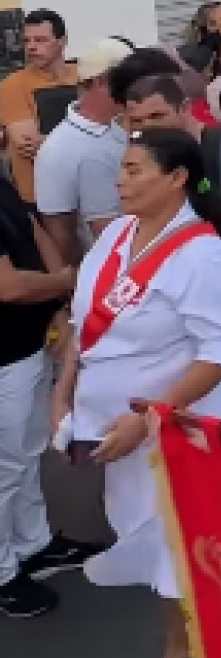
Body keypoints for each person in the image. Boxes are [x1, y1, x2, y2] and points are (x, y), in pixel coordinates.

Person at [55, 129, 221, 658]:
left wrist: (148, 419)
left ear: (177, 178)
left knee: (171, 543)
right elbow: (85, 323)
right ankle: (215, 635)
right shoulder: (115, 235)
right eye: (122, 168)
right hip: (117, 431)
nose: (121, 181)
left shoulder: (202, 256)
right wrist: (63, 394)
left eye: (135, 170)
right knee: (154, 535)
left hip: (173, 433)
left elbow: (219, 354)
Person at [121, 73, 221, 428]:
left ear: (184, 108)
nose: (148, 128)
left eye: (157, 116)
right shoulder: (142, 162)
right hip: (181, 323)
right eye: (137, 121)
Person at [0, 169, 87, 618]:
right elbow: (8, 285)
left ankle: (33, 543)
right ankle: (3, 573)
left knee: (25, 453)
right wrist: (65, 283)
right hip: (4, 355)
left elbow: (32, 227)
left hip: (24, 346)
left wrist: (60, 293)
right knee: (5, 466)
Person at [33, 39, 131, 264]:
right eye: (129, 79)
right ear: (101, 82)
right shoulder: (58, 149)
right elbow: (60, 231)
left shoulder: (126, 124)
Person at [0, 10, 75, 205]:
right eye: (27, 41)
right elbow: (29, 145)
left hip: (86, 187)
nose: (31, 47)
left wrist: (50, 140)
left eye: (40, 40)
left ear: (62, 41)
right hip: (39, 196)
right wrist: (90, 141)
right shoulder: (13, 85)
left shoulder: (82, 75)